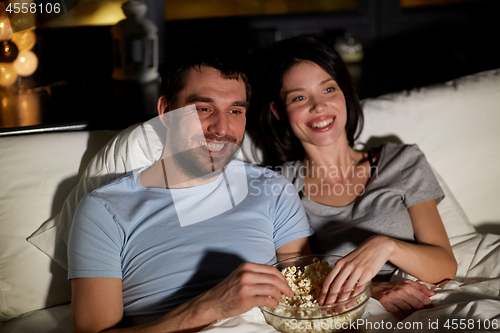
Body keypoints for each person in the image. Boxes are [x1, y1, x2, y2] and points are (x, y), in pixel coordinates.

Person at [68, 41, 314, 333]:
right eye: (204, 108)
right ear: (166, 112)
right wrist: (209, 308)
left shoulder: (273, 189)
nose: (221, 128)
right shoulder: (105, 211)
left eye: (235, 111)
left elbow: (308, 301)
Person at [256, 34, 457, 320]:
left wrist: (384, 245)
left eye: (328, 89)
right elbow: (299, 284)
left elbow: (445, 266)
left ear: (345, 92)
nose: (318, 106)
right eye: (299, 97)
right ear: (278, 110)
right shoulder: (281, 186)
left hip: (425, 306)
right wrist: (371, 290)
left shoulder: (402, 161)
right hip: (349, 315)